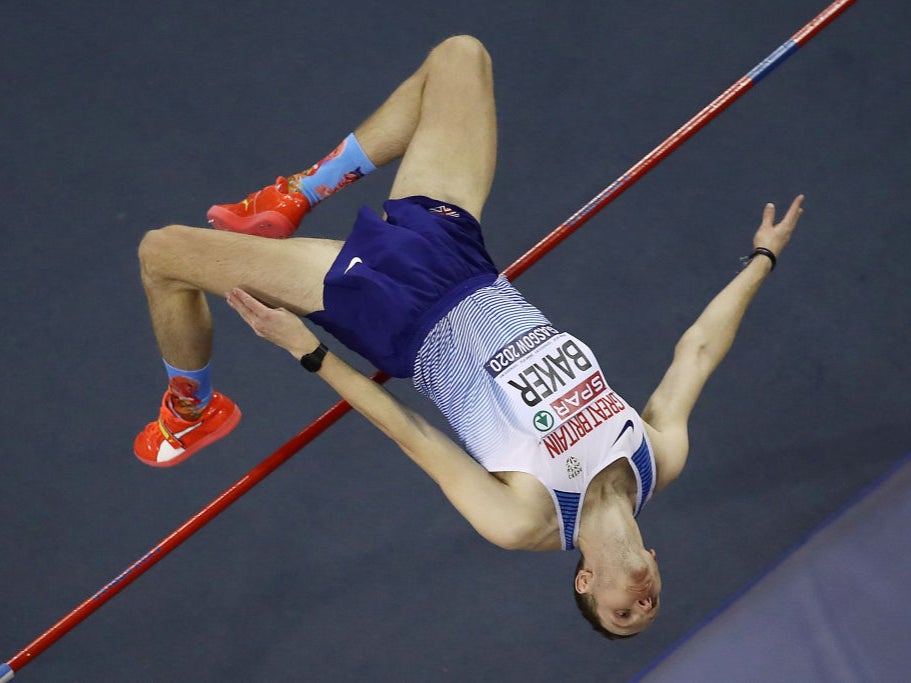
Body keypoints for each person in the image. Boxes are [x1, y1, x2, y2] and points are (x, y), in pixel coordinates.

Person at [134, 35, 804, 639]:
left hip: (390, 310)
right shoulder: (658, 456)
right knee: (460, 56)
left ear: (585, 582)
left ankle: (191, 408)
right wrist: (761, 259)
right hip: (457, 259)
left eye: (622, 613)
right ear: (655, 563)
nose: (642, 600)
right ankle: (296, 193)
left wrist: (306, 350)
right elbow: (698, 350)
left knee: (162, 255)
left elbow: (411, 434)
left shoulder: (523, 521)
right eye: (650, 606)